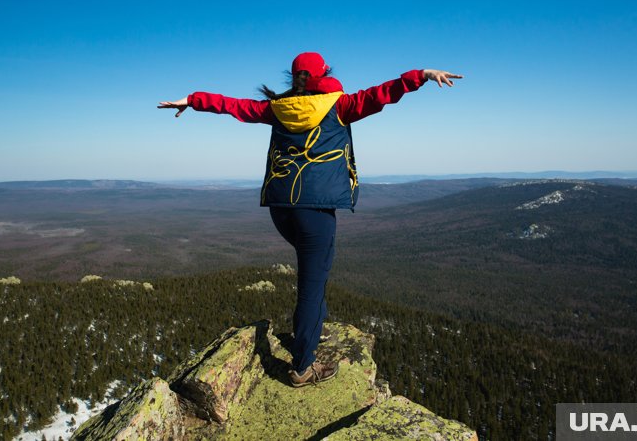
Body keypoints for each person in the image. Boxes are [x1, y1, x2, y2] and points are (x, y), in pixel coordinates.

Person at [158, 52, 462, 387]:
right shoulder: (340, 105)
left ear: (295, 78)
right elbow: (382, 93)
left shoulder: (277, 109)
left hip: (280, 207)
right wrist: (421, 74)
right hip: (315, 210)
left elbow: (233, 105)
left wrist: (193, 100)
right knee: (312, 284)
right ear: (323, 74)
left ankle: (311, 329)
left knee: (314, 274)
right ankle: (303, 366)